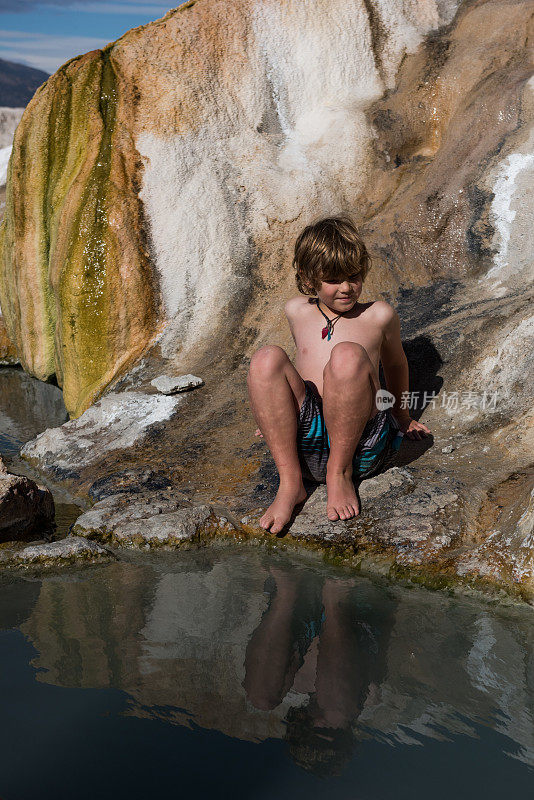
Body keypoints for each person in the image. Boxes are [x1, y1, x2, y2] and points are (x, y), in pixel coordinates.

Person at [247, 215, 431, 534]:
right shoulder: (297, 310)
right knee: (266, 358)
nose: (346, 288)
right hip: (306, 444)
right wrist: (274, 419)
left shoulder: (379, 315)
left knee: (346, 355)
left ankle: (338, 474)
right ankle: (291, 484)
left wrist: (402, 416)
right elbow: (293, 375)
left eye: (353, 276)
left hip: (359, 443)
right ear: (309, 279)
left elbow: (396, 365)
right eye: (333, 279)